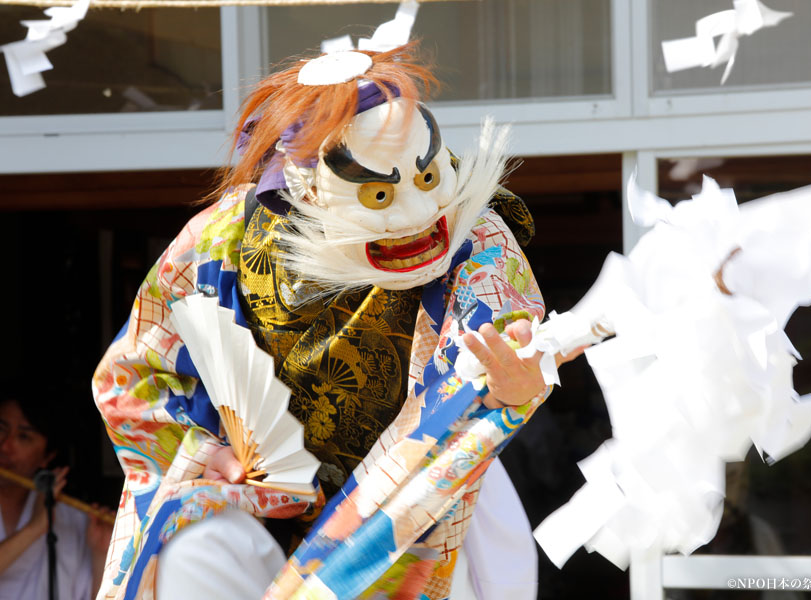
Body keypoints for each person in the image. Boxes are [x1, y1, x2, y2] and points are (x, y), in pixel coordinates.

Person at [93, 43, 574, 600]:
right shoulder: (220, 240)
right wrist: (201, 449)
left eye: (425, 181)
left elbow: (496, 356)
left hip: (419, 499)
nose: (418, 215)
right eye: (377, 193)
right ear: (302, 189)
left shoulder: (472, 234)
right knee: (189, 547)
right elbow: (130, 375)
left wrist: (515, 385)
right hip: (259, 502)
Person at [0, 392, 113, 600]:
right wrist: (34, 529)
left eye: (23, 436)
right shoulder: (43, 519)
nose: (5, 445)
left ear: (47, 457)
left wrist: (101, 553)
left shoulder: (72, 520)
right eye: (1, 429)